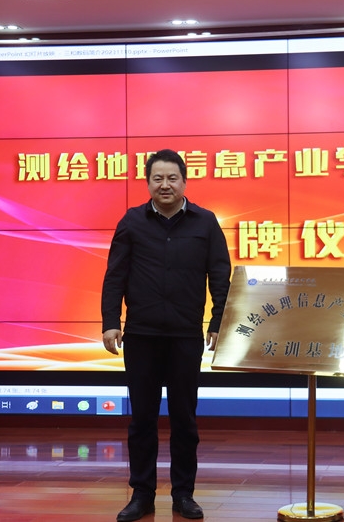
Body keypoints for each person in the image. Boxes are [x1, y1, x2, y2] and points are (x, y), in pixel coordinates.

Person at [101, 149, 232, 521]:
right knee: (142, 420)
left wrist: (218, 322)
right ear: (148, 183)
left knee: (184, 420)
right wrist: (111, 321)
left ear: (184, 181)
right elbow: (115, 275)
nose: (165, 185)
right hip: (141, 335)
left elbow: (220, 277)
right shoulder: (132, 222)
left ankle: (183, 495)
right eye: (157, 178)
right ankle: (141, 494)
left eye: (172, 178)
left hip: (184, 336)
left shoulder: (206, 223)